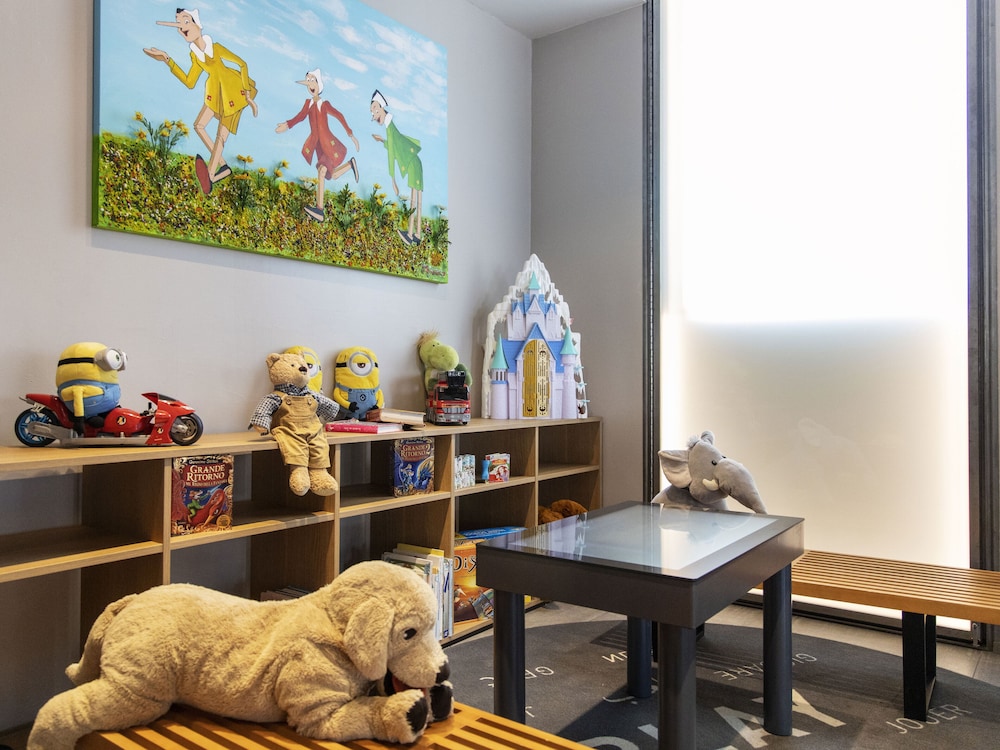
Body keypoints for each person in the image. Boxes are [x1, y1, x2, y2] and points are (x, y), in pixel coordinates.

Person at [143, 8, 258, 194]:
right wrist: (167, 59)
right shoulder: (195, 55)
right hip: (214, 93)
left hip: (232, 93)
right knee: (199, 125)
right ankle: (223, 167)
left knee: (221, 135)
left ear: (198, 24)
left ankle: (211, 175)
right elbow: (190, 82)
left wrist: (247, 94)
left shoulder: (216, 48)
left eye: (185, 21)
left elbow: (242, 64)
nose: (182, 27)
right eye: (178, 23)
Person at [276, 69, 360, 222]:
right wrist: (287, 125)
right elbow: (299, 117)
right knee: (331, 175)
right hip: (318, 146)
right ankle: (350, 165)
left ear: (319, 84)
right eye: (308, 81)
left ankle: (319, 211)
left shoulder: (324, 104)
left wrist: (351, 135)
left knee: (322, 171)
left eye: (312, 80)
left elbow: (339, 116)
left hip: (329, 144)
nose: (310, 84)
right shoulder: (308, 104)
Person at [370, 89, 423, 245]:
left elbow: (392, 153)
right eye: (372, 111)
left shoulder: (390, 128)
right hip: (414, 161)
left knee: (415, 199)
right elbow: (396, 146)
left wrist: (393, 179)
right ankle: (417, 234)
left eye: (375, 109)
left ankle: (411, 234)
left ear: (382, 108)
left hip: (413, 162)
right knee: (417, 198)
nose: (373, 114)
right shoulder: (390, 128)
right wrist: (382, 141)